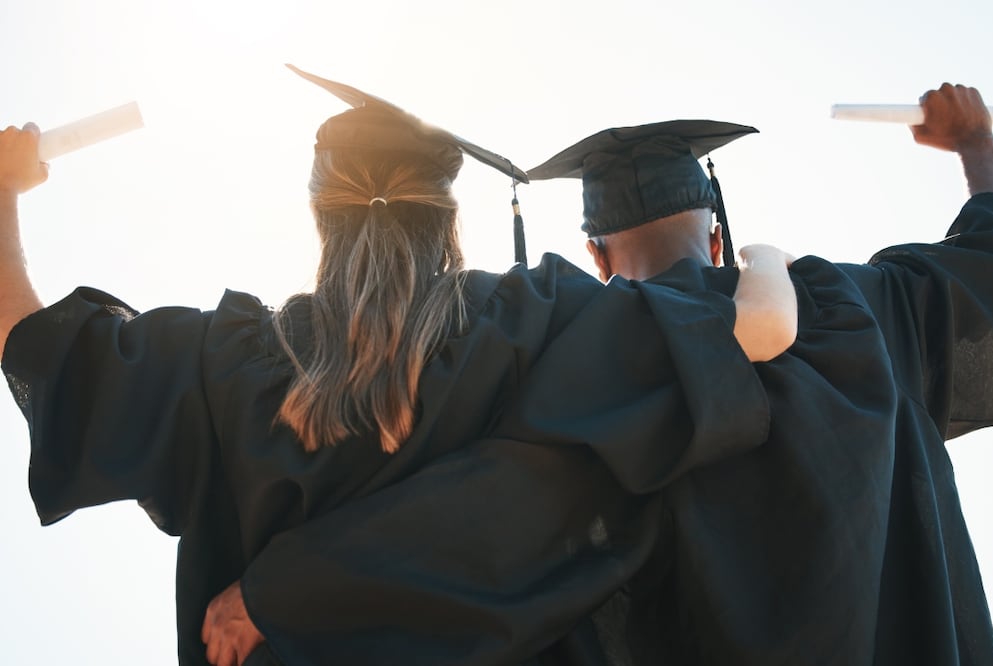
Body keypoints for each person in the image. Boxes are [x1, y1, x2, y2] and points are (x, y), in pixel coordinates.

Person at [202, 84, 993, 665]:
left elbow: (493, 514)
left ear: (595, 255)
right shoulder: (862, 304)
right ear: (716, 229)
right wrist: (977, 146)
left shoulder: (576, 348)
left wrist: (286, 589)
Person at [0, 66, 798, 666]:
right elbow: (724, 343)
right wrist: (763, 260)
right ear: (447, 220)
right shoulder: (537, 317)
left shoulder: (222, 364)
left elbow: (31, 344)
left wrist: (3, 189)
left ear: (321, 215)